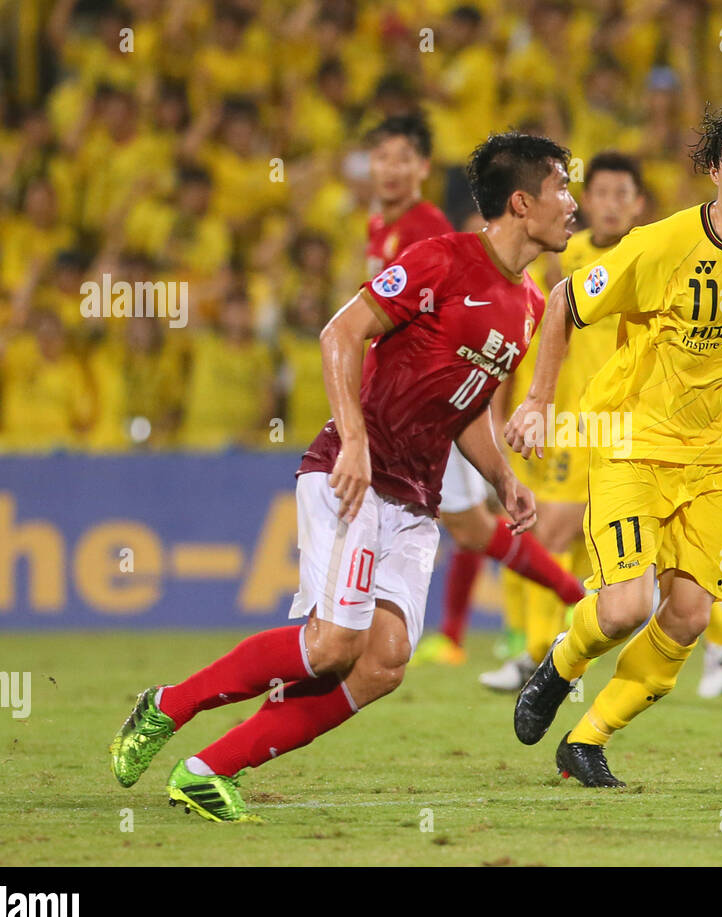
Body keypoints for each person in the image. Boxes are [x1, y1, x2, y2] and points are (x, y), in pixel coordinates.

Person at [109, 132, 577, 822]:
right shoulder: (441, 259)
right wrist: (353, 441)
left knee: (383, 662)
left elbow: (468, 402)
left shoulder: (531, 302)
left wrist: (503, 477)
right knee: (333, 645)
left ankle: (208, 771)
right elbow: (340, 332)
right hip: (353, 474)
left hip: (415, 498)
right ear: (521, 201)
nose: (571, 203)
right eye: (562, 187)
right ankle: (169, 706)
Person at [505, 104, 722, 786]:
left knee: (691, 614)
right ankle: (561, 660)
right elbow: (562, 305)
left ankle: (588, 740)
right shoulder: (661, 245)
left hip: (719, 455)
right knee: (624, 608)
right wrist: (540, 401)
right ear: (714, 175)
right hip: (632, 439)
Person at [481, 151, 722, 696]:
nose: (608, 205)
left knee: (595, 542)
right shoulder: (570, 257)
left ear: (639, 204)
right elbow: (546, 316)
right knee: (568, 538)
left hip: (634, 426)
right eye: (598, 193)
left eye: (620, 195)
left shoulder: (658, 257)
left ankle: (544, 654)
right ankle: (544, 652)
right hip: (578, 422)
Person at [362, 114, 586, 667]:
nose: (390, 169)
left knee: (469, 525)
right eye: (381, 157)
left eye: (402, 158)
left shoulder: (429, 231)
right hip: (411, 405)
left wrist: (501, 405)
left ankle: (557, 608)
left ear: (421, 168)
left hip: (438, 405)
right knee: (468, 526)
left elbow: (475, 332)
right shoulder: (379, 224)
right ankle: (525, 619)